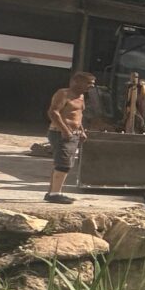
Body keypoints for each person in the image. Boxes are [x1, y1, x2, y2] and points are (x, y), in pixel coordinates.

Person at [44, 71, 95, 203]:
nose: (91, 86)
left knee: (64, 163)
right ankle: (55, 194)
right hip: (59, 133)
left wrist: (81, 131)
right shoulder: (63, 93)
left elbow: (78, 115)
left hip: (74, 134)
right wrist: (65, 130)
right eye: (88, 83)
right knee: (63, 164)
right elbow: (53, 112)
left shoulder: (82, 96)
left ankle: (53, 192)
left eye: (93, 84)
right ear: (76, 82)